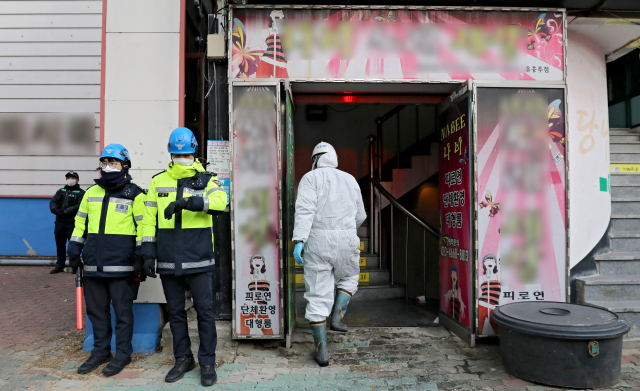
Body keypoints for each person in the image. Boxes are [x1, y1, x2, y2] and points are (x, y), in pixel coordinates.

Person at [141, 127, 227, 387]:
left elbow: (222, 203)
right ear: (170, 153)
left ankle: (208, 362)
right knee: (176, 312)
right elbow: (148, 219)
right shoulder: (158, 181)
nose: (183, 157)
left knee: (205, 312)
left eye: (187, 153)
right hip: (168, 257)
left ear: (195, 153)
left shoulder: (208, 180)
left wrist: (190, 202)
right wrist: (147, 251)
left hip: (199, 257)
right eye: (179, 154)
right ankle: (183, 359)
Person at [67, 144, 146, 377]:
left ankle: (123, 354)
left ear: (125, 166)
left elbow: (144, 228)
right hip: (92, 264)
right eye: (105, 162)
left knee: (122, 313)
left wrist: (142, 258)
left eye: (114, 163)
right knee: (97, 312)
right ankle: (100, 351)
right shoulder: (90, 193)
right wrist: (73, 251)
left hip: (122, 266)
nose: (109, 167)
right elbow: (80, 224)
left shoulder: (135, 194)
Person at [292, 141, 366, 367]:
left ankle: (321, 349)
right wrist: (347, 230)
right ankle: (338, 317)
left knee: (318, 292)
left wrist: (299, 240)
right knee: (350, 277)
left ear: (315, 159)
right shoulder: (350, 179)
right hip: (347, 238)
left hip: (318, 240)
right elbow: (361, 214)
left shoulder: (309, 179)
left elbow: (305, 210)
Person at [49, 171, 85, 274]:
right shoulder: (61, 191)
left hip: (72, 223)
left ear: (77, 180)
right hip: (60, 222)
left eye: (72, 178)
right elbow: (53, 202)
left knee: (73, 245)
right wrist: (55, 210)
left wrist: (65, 211)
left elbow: (79, 206)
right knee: (60, 244)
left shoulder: (81, 193)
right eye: (68, 177)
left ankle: (75, 266)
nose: (70, 179)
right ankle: (60, 265)